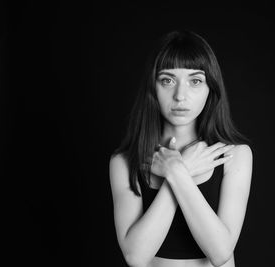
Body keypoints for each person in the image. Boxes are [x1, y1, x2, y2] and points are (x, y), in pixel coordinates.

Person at [109, 30, 253, 267]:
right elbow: (135, 257)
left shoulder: (235, 155)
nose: (180, 96)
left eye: (195, 81)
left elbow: (220, 252)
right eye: (167, 80)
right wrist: (180, 170)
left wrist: (176, 172)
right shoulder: (124, 161)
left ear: (210, 88)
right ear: (153, 87)